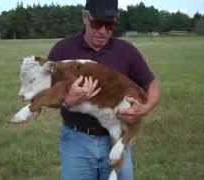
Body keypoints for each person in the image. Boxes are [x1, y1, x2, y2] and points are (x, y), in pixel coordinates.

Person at [47, 0, 160, 179]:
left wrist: (143, 109)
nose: (102, 31)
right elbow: (47, 94)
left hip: (117, 139)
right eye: (97, 23)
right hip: (77, 142)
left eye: (109, 25)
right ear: (85, 18)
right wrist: (67, 101)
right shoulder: (62, 50)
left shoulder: (127, 51)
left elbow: (152, 85)